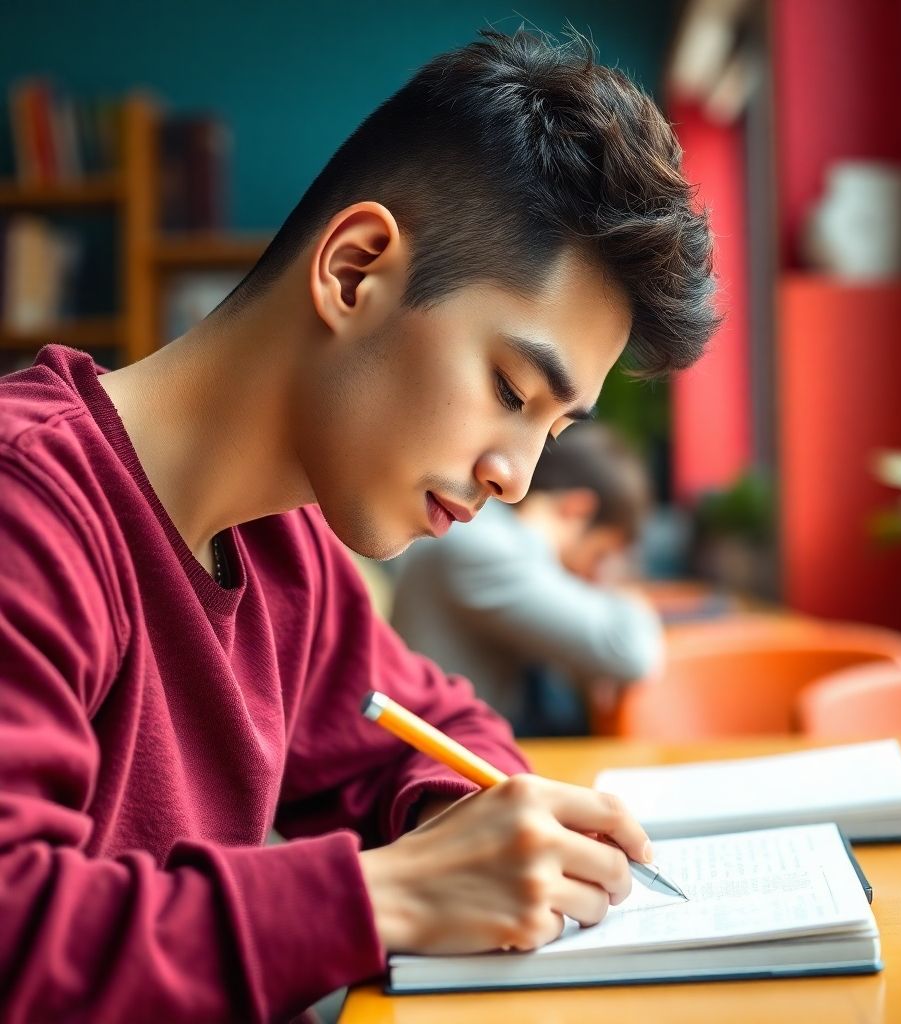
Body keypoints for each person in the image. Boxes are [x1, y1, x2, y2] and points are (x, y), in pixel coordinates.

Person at [0, 29, 717, 1023]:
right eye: (510, 388)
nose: (514, 479)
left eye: (553, 429)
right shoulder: (27, 509)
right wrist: (392, 893)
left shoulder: (282, 544)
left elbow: (439, 732)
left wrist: (478, 828)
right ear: (354, 269)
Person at [391, 421, 664, 735]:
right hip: (441, 763)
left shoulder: (490, 535)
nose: (592, 573)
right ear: (577, 509)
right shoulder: (489, 550)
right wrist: (633, 601)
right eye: (599, 554)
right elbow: (630, 653)